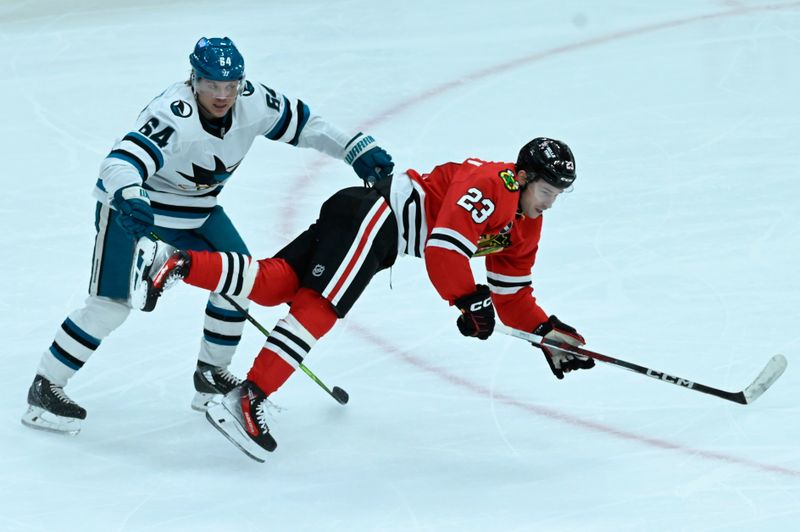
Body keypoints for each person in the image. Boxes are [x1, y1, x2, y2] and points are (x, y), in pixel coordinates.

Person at [21, 36, 394, 436]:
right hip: (134, 209)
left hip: (197, 212)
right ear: (194, 80)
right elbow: (120, 162)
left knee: (240, 279)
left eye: (230, 86)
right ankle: (46, 385)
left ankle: (211, 374)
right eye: (212, 85)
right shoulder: (172, 114)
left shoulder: (254, 101)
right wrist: (130, 194)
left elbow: (307, 126)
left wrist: (354, 147)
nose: (222, 95)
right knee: (111, 305)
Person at [136, 137, 594, 461]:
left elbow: (512, 294)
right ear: (523, 177)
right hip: (377, 218)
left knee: (280, 283)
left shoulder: (525, 220)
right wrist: (468, 299)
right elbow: (444, 248)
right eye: (547, 191)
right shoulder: (493, 185)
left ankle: (178, 261)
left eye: (558, 195)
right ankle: (248, 396)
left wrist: (545, 332)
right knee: (319, 309)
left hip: (367, 219)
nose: (550, 203)